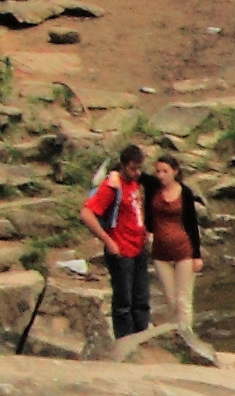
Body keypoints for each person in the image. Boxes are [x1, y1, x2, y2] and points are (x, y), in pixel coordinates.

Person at [141, 152, 212, 360]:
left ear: (175, 172)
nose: (161, 175)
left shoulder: (186, 193)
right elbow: (132, 170)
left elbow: (192, 225)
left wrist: (197, 255)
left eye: (165, 171)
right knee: (171, 299)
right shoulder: (153, 187)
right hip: (161, 252)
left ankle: (188, 340)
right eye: (158, 171)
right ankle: (177, 336)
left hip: (184, 250)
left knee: (183, 299)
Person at [80, 147, 152, 347]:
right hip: (120, 249)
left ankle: (142, 339)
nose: (137, 172)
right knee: (123, 301)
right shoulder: (112, 186)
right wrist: (108, 241)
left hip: (138, 248)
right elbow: (86, 213)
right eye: (133, 169)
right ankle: (125, 343)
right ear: (123, 165)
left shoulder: (135, 184)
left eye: (139, 169)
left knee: (142, 298)